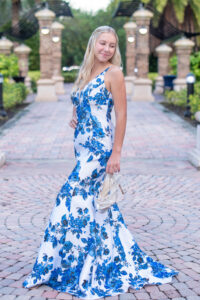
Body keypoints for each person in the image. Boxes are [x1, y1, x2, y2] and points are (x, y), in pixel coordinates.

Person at [22, 26, 178, 299]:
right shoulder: (85, 72)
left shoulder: (114, 74)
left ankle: (64, 267)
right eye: (103, 43)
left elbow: (121, 113)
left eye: (112, 45)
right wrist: (75, 114)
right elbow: (81, 101)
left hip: (98, 151)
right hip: (81, 150)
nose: (107, 49)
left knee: (66, 200)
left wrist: (116, 153)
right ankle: (96, 260)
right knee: (99, 210)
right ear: (93, 44)